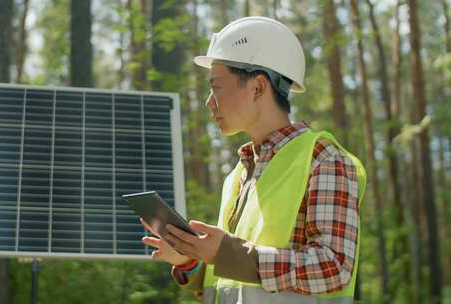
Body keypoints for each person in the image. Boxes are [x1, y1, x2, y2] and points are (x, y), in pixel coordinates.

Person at [141, 16, 367, 304]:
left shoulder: (324, 161)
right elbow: (233, 283)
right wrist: (191, 261)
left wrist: (227, 253)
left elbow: (333, 267)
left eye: (217, 86)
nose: (210, 101)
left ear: (258, 87)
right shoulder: (237, 176)